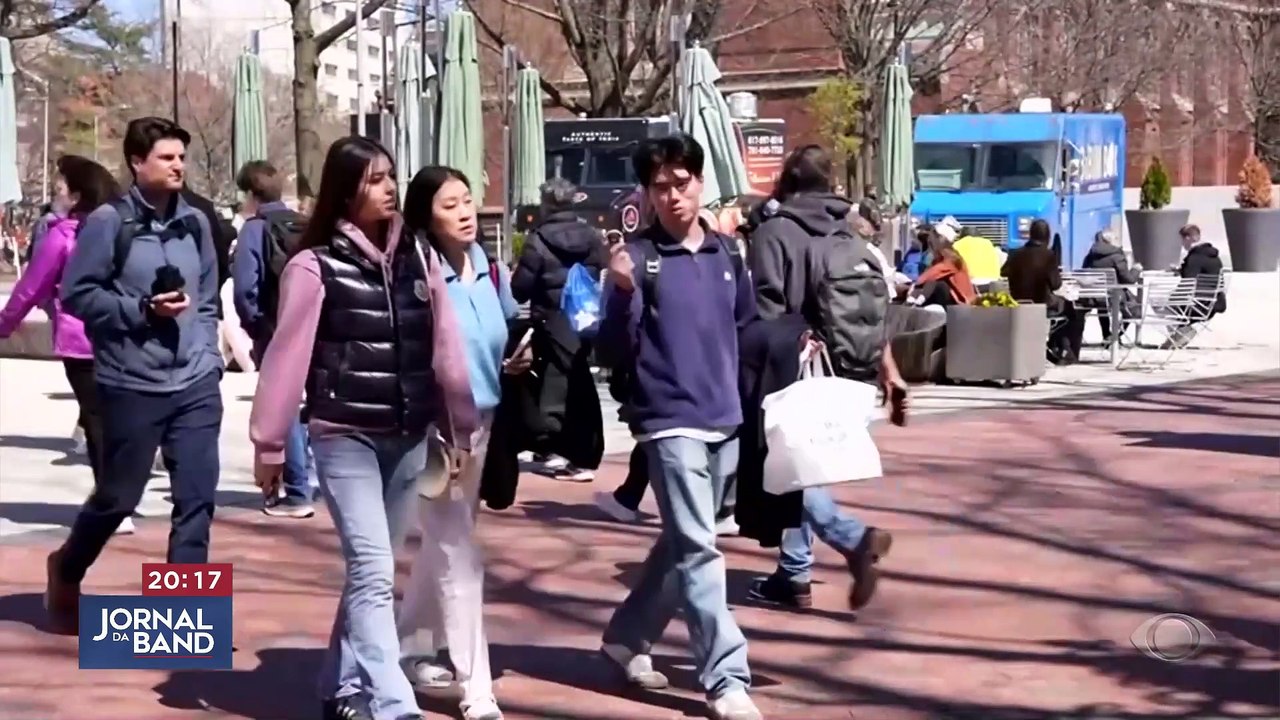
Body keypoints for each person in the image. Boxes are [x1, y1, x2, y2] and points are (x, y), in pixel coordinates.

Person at [249, 137, 477, 720]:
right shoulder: (313, 264)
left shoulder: (419, 257)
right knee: (375, 572)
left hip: (407, 434)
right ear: (345, 189)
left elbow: (446, 347)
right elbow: (286, 357)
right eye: (375, 179)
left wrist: (458, 422)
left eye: (391, 176)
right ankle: (393, 703)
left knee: (369, 575)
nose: (389, 188)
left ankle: (339, 687)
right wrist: (270, 443)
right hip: (343, 434)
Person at [597, 134, 763, 720]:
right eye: (660, 186)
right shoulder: (637, 260)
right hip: (669, 421)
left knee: (681, 544)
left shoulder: (727, 254)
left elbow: (746, 329)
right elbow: (613, 348)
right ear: (647, 192)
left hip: (726, 415)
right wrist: (618, 292)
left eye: (682, 182)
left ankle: (626, 636)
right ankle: (725, 676)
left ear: (700, 182)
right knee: (700, 549)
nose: (672, 195)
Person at [46, 118, 224, 634]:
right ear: (136, 164)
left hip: (194, 382)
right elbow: (78, 294)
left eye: (181, 158)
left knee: (196, 498)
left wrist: (208, 356)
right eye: (166, 158)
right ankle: (68, 565)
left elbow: (209, 295)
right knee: (120, 497)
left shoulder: (195, 221)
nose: (177, 167)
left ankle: (181, 622)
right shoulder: (108, 222)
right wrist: (143, 310)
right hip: (131, 383)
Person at [744, 144, 899, 611]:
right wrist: (888, 370)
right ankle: (793, 574)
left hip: (792, 365)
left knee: (783, 468)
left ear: (787, 181)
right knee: (800, 466)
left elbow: (767, 308)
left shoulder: (776, 232)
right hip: (846, 370)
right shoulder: (849, 234)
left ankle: (852, 538)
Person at [395, 166, 521, 720]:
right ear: (426, 214)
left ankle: (406, 644)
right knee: (458, 552)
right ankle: (478, 687)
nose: (466, 212)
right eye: (451, 204)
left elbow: (503, 326)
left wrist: (512, 361)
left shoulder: (488, 268)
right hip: (433, 431)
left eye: (469, 200)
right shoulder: (416, 274)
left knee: (448, 542)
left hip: (482, 422)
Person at [0, 156, 131, 535]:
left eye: (61, 184)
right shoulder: (124, 228)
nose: (56, 190)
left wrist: (6, 323)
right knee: (121, 416)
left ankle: (110, 500)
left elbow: (31, 286)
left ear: (77, 193)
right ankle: (120, 494)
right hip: (124, 333)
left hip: (80, 339)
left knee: (96, 418)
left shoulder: (64, 235)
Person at [509, 177, 606, 482]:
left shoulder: (538, 240)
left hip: (549, 318)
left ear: (547, 204)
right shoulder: (590, 235)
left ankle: (560, 448)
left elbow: (520, 288)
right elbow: (600, 268)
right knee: (574, 380)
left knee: (553, 383)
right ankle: (561, 448)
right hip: (583, 318)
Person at [232, 160, 314, 518]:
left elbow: (244, 289)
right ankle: (308, 480)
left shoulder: (255, 230)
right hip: (312, 326)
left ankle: (297, 492)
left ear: (251, 194)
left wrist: (255, 327)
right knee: (310, 406)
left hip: (275, 330)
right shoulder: (306, 226)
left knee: (282, 410)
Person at [1002, 219, 1084, 363]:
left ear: (1030, 234)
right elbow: (1056, 285)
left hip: (1018, 302)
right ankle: (1065, 351)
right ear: (1047, 236)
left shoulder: (1015, 254)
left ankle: (1057, 349)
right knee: (1074, 311)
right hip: (1042, 303)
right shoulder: (1048, 256)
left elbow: (1003, 272)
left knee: (1065, 311)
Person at [1170, 223, 1227, 347]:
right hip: (1214, 302)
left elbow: (1188, 282)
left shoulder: (1194, 257)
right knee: (1172, 302)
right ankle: (1180, 334)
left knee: (1162, 304)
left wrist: (1173, 296)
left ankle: (1182, 333)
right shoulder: (1213, 256)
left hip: (1198, 305)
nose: (1182, 245)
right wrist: (1182, 270)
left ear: (1187, 238)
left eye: (1182, 240)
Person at [1081, 229, 1140, 343]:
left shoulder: (1090, 256)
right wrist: (1136, 269)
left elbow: (1084, 273)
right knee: (1134, 309)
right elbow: (1129, 279)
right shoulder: (1117, 256)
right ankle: (1116, 336)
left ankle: (1107, 336)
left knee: (1102, 305)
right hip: (1114, 297)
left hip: (1093, 297)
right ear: (1110, 240)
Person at [907, 231, 978, 307]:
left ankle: (919, 299)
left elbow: (932, 274)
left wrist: (915, 284)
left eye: (930, 247)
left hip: (962, 299)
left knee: (937, 282)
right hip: (953, 296)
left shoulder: (952, 260)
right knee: (930, 283)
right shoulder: (940, 259)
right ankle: (915, 300)